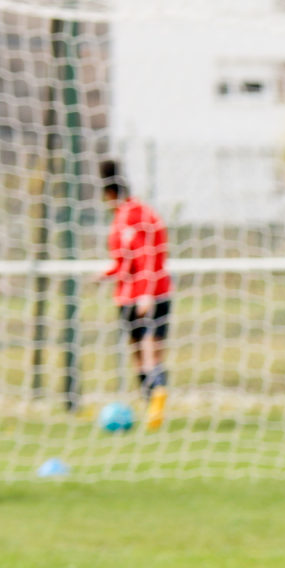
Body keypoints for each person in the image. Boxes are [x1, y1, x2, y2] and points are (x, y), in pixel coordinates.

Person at [99, 159, 173, 430]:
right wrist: (107, 274)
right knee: (144, 353)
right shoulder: (130, 214)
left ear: (108, 194)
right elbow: (125, 261)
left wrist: (146, 294)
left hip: (143, 294)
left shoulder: (131, 216)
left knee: (147, 351)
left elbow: (147, 256)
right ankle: (151, 403)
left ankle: (155, 400)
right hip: (141, 292)